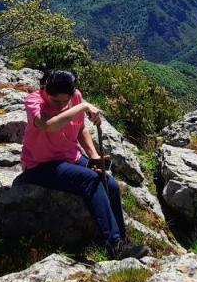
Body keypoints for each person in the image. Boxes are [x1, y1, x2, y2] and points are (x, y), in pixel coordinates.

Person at [12, 68, 150, 259]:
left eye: (64, 101)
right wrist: (83, 107)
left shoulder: (75, 97)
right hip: (40, 165)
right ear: (45, 90)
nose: (61, 105)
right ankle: (115, 246)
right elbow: (47, 125)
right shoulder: (34, 101)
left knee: (109, 184)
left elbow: (80, 129)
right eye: (56, 101)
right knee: (90, 180)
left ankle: (122, 240)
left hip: (71, 157)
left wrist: (93, 156)